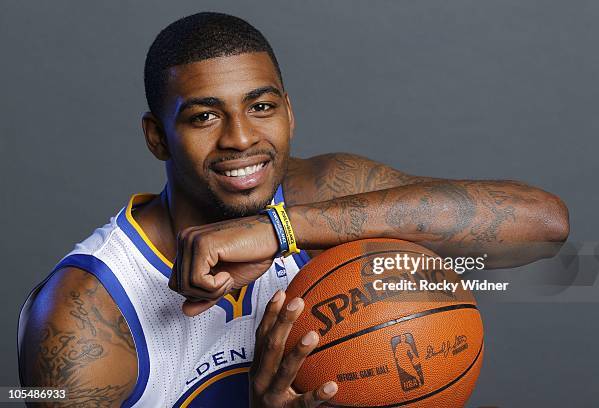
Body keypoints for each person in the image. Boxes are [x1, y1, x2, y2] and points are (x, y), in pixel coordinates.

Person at [17, 11, 569, 408]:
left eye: (261, 107)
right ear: (156, 137)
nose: (240, 139)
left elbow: (545, 227)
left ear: (290, 114)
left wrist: (279, 229)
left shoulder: (321, 191)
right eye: (204, 117)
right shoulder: (82, 315)